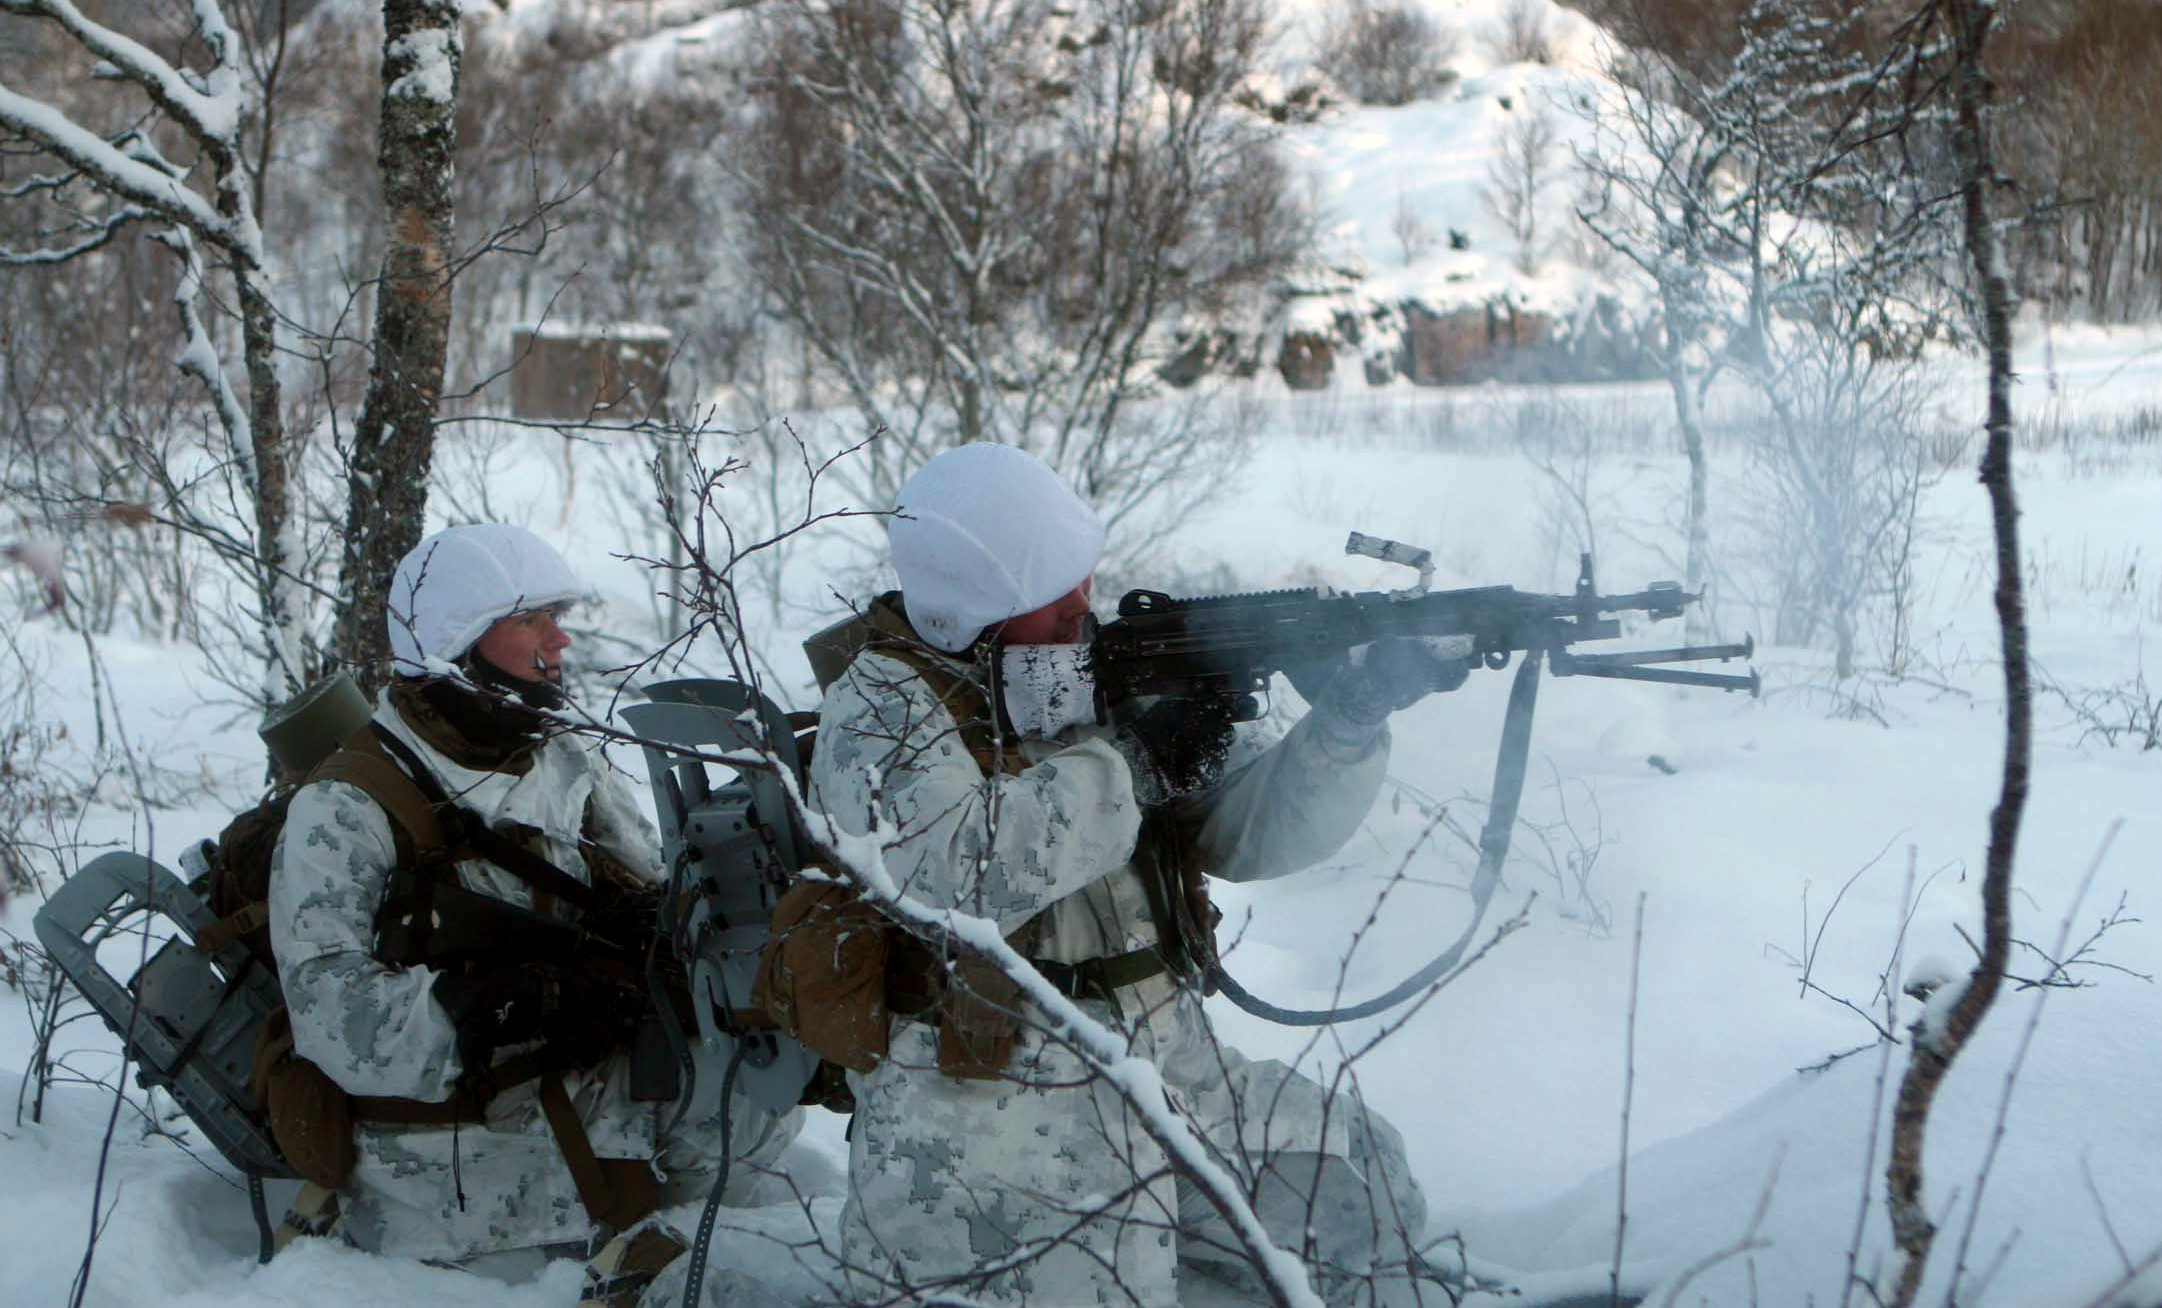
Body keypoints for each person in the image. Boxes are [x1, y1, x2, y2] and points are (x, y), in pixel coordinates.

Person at [808, 444, 1470, 1308]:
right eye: (1053, 587)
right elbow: (959, 872)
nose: (1083, 605)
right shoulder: (880, 708)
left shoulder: (1091, 669)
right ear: (974, 602)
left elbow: (1252, 833)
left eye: (1083, 577)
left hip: (1169, 1065)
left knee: (1357, 1184)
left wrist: (1351, 713)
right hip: (986, 1111)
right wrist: (1133, 761)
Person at [267, 523, 796, 1274]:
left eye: (557, 616)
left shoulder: (554, 748)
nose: (560, 640)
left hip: (572, 1086)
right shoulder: (347, 803)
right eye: (530, 619)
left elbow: (650, 881)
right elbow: (328, 1015)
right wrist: (502, 1003)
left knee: (761, 1096)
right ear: (458, 639)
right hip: (448, 1160)